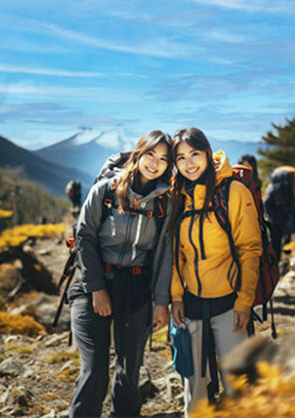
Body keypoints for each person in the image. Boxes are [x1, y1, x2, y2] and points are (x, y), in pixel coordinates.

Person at [67, 130, 174, 417]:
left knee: (129, 371)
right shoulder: (106, 190)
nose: (155, 163)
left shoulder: (165, 203)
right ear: (139, 153)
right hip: (93, 285)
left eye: (164, 159)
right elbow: (84, 238)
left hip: (137, 289)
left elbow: (165, 256)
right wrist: (97, 288)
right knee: (95, 370)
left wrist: (161, 302)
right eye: (151, 154)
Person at [168, 127, 262, 413]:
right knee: (194, 389)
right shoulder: (177, 196)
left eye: (194, 154)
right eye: (181, 158)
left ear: (208, 154)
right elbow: (175, 255)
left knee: (238, 388)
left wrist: (245, 302)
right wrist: (176, 298)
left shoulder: (233, 191)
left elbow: (250, 250)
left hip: (229, 303)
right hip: (191, 304)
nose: (189, 163)